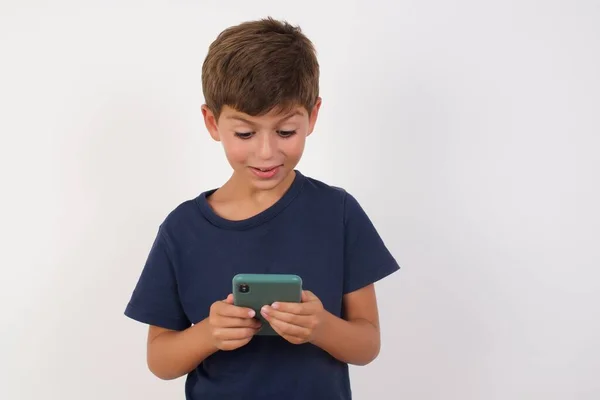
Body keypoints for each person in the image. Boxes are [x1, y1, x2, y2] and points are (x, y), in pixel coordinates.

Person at [124, 17, 400, 400]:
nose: (266, 152)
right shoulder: (181, 229)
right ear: (211, 121)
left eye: (285, 131)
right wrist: (208, 334)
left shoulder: (338, 213)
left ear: (313, 116)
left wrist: (320, 327)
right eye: (245, 133)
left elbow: (367, 344)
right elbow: (160, 360)